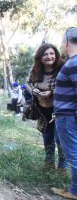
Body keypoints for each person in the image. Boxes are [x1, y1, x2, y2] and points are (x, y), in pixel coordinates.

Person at [26, 43, 66, 171]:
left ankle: (62, 169)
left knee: (60, 139)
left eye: (52, 53)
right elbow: (28, 83)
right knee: (47, 137)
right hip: (42, 110)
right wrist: (35, 91)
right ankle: (49, 164)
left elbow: (68, 87)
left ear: (56, 54)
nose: (49, 56)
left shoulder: (63, 68)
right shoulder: (36, 69)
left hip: (59, 110)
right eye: (45, 54)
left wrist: (51, 92)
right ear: (40, 57)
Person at [51, 27, 77, 200]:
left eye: (61, 41)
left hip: (68, 117)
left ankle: (75, 191)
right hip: (66, 115)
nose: (61, 45)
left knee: (73, 153)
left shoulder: (74, 63)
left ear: (67, 42)